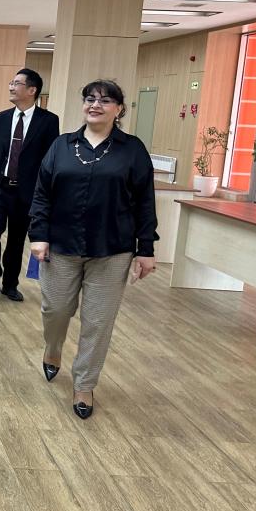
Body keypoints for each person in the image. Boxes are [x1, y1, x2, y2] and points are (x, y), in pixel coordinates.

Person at [29, 79, 157, 419]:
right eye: (90, 99)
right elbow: (42, 193)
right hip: (61, 245)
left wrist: (146, 248)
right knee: (55, 310)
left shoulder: (132, 150)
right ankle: (53, 348)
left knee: (98, 322)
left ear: (119, 109)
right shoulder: (61, 145)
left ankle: (84, 383)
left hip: (112, 250)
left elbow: (145, 202)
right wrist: (38, 234)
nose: (95, 105)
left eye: (105, 100)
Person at [0, 68, 59, 304]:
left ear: (32, 90)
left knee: (17, 240)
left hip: (27, 192)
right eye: (11, 83)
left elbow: (50, 161)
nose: (11, 87)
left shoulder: (48, 121)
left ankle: (11, 284)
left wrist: (47, 193)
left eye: (17, 83)